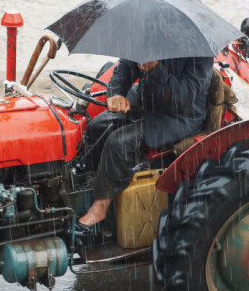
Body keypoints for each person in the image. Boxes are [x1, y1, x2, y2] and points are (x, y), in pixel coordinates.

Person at [76, 56, 215, 237]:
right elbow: (125, 66)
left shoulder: (200, 53)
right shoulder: (151, 40)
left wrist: (154, 70)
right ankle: (94, 182)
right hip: (148, 100)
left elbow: (183, 98)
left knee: (118, 143)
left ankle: (99, 210)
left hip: (180, 117)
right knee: (96, 126)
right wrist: (116, 93)